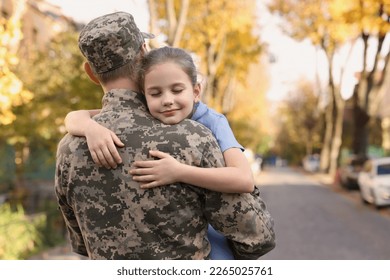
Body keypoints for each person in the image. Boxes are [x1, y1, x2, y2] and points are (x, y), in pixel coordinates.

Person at [55, 11, 275, 260]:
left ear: (90, 72)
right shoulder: (192, 137)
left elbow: (82, 243)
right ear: (144, 54)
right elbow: (258, 237)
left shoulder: (69, 147)